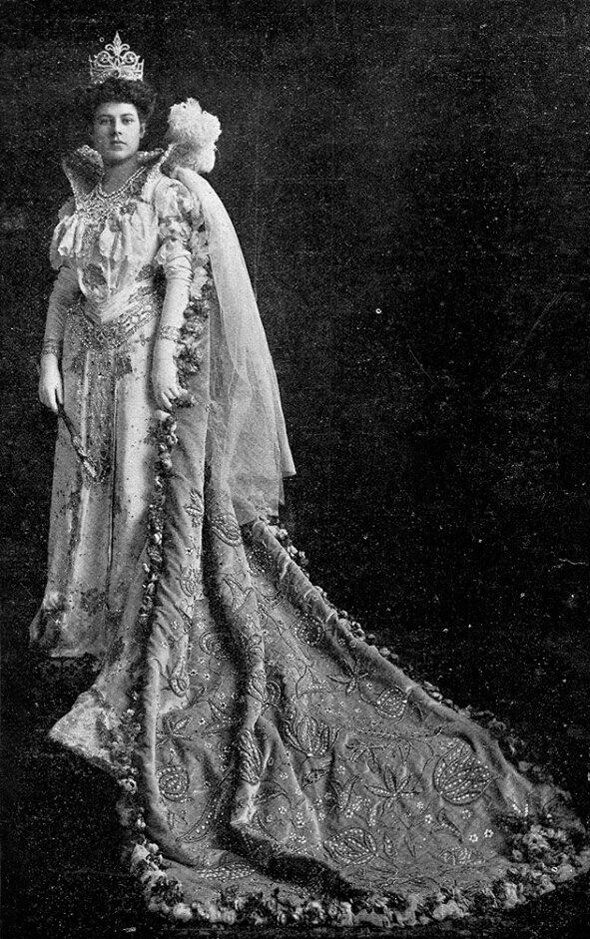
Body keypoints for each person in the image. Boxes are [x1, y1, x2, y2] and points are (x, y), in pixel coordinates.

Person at [31, 34, 588, 928]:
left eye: (129, 116)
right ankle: (103, 637)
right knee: (88, 502)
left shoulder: (167, 188)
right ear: (93, 129)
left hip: (142, 367)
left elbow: (180, 271)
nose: (118, 129)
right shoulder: (87, 191)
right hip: (89, 374)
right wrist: (48, 360)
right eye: (106, 119)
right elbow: (65, 287)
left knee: (142, 507)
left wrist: (170, 353)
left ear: (146, 123)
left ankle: (147, 650)